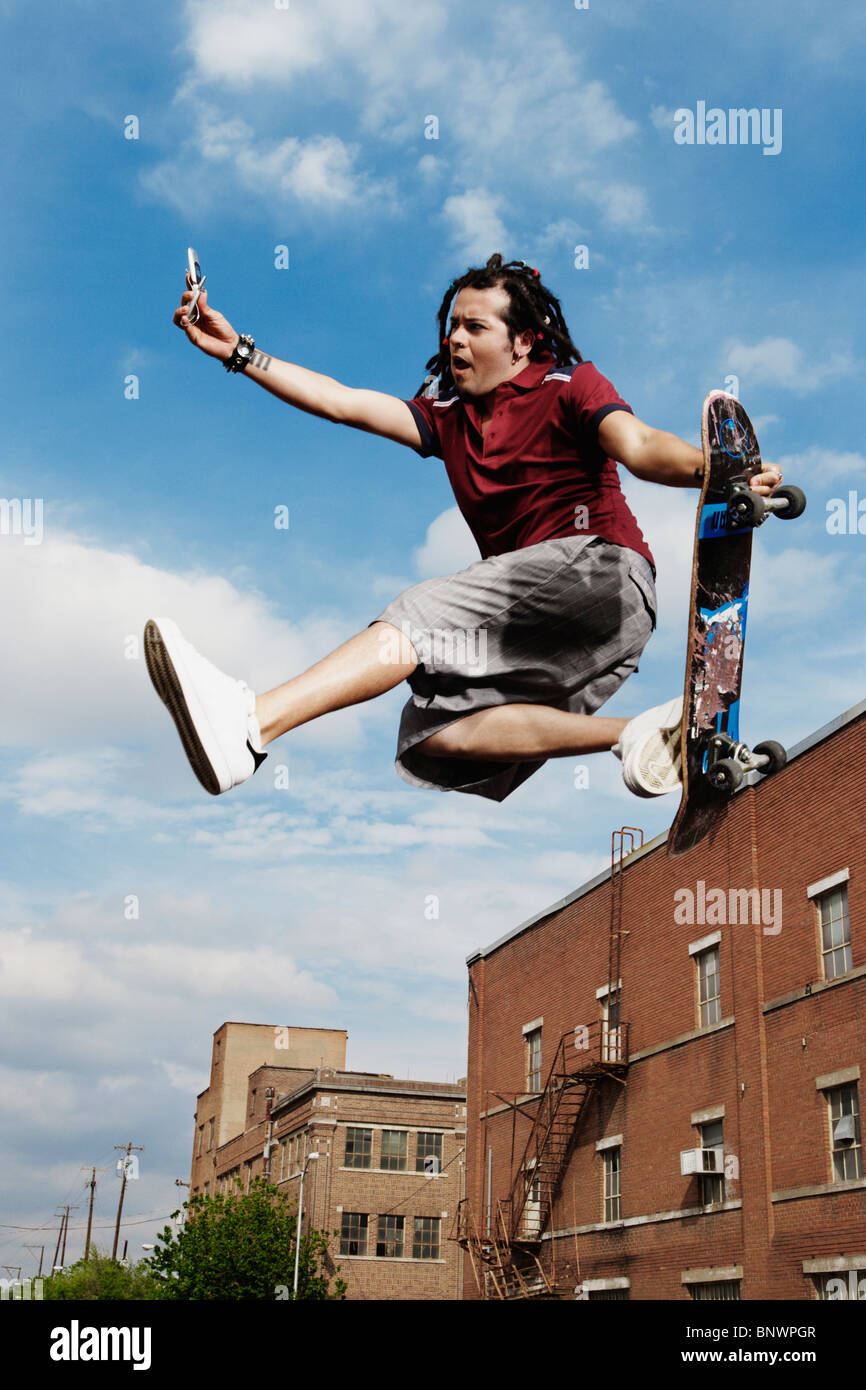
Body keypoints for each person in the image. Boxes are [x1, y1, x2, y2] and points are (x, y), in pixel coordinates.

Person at [144, 254, 782, 801]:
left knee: (418, 615)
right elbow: (340, 401)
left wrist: (714, 471)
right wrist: (240, 351)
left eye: (475, 327)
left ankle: (252, 726)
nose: (455, 340)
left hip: (601, 575)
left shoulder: (568, 385)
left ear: (522, 341)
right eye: (451, 325)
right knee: (434, 734)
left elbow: (639, 446)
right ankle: (644, 733)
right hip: (577, 634)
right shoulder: (445, 416)